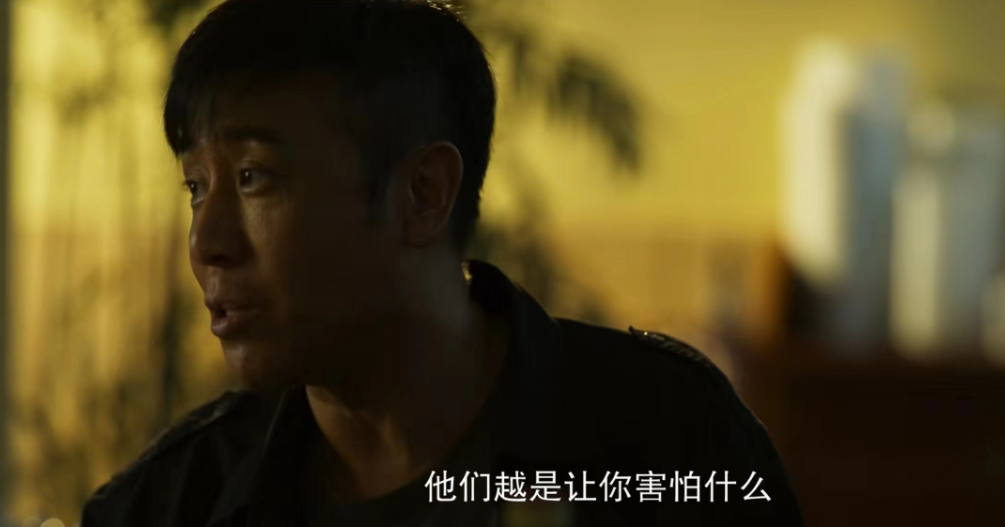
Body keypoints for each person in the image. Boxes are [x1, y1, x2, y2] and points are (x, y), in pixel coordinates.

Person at [80, 0, 802, 525]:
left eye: (252, 177)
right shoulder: (167, 505)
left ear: (422, 193)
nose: (206, 242)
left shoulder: (671, 447)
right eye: (195, 187)